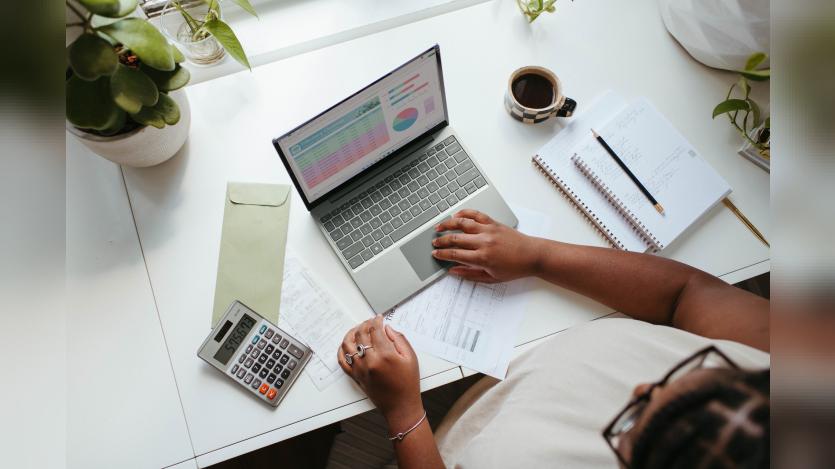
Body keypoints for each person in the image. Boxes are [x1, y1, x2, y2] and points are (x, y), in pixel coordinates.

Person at [338, 210, 770, 469]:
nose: (639, 388)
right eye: (700, 368)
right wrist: (537, 256)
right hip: (511, 373)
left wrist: (403, 413)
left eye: (636, 421)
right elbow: (687, 294)